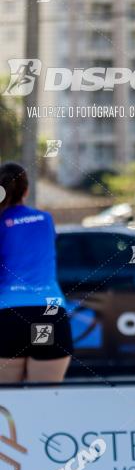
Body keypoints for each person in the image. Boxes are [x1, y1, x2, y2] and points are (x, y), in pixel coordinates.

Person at [0, 162, 73, 383]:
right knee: (46, 404)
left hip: (8, 317)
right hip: (48, 313)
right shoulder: (46, 219)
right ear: (26, 190)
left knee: (7, 405)